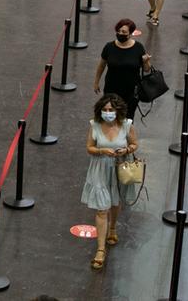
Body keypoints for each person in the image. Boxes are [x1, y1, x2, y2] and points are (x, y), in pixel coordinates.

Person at [81, 94, 138, 271]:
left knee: (115, 201)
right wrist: (102, 150)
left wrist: (126, 149)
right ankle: (100, 249)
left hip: (119, 167)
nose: (108, 113)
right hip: (100, 168)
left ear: (117, 110)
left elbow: (135, 144)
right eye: (105, 110)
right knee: (101, 208)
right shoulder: (95, 126)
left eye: (111, 110)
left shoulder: (127, 125)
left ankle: (112, 228)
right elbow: (89, 147)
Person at [92, 18, 151, 117]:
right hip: (111, 89)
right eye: (118, 31)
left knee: (128, 118)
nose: (120, 33)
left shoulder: (138, 48)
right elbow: (101, 65)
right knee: (110, 116)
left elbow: (146, 69)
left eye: (123, 32)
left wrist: (146, 61)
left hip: (131, 91)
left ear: (130, 33)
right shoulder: (109, 47)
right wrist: (96, 82)